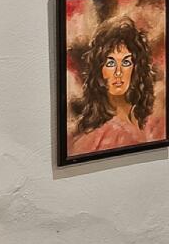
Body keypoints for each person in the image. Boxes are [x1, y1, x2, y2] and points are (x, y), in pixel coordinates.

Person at [67, 12, 163, 154]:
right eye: (111, 63)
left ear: (136, 68)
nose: (118, 72)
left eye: (126, 62)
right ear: (100, 70)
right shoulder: (97, 136)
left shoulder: (153, 122)